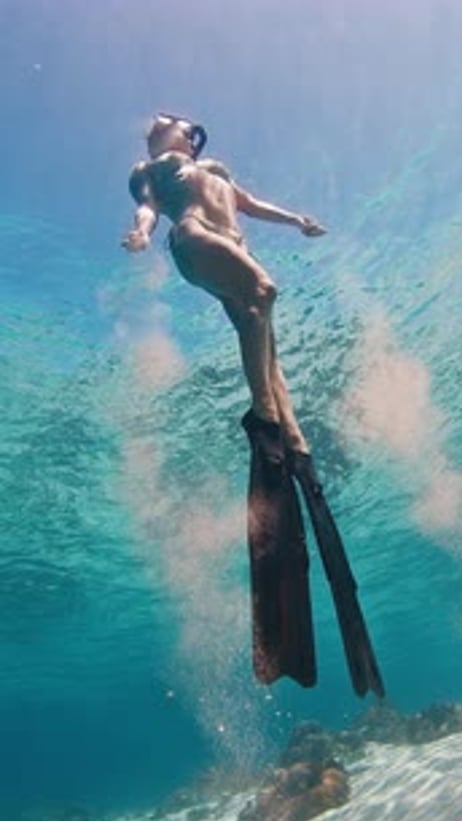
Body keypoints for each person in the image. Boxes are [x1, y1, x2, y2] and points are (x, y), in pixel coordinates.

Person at [123, 114, 384, 697]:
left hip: (228, 245)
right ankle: (263, 415)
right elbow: (147, 209)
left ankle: (292, 441)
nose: (160, 122)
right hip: (193, 239)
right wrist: (140, 234)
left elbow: (251, 204)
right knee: (264, 291)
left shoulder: (213, 168)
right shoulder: (152, 169)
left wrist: (296, 220)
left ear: (191, 135)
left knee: (263, 343)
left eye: (172, 120)